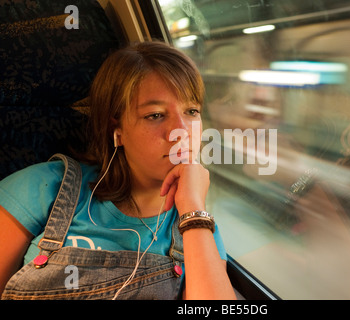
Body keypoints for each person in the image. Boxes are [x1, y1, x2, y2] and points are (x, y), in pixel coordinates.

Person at [0, 41, 236, 300]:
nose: (181, 132)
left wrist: (191, 207)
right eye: (155, 115)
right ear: (118, 129)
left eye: (191, 111)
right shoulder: (43, 188)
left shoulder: (198, 227)